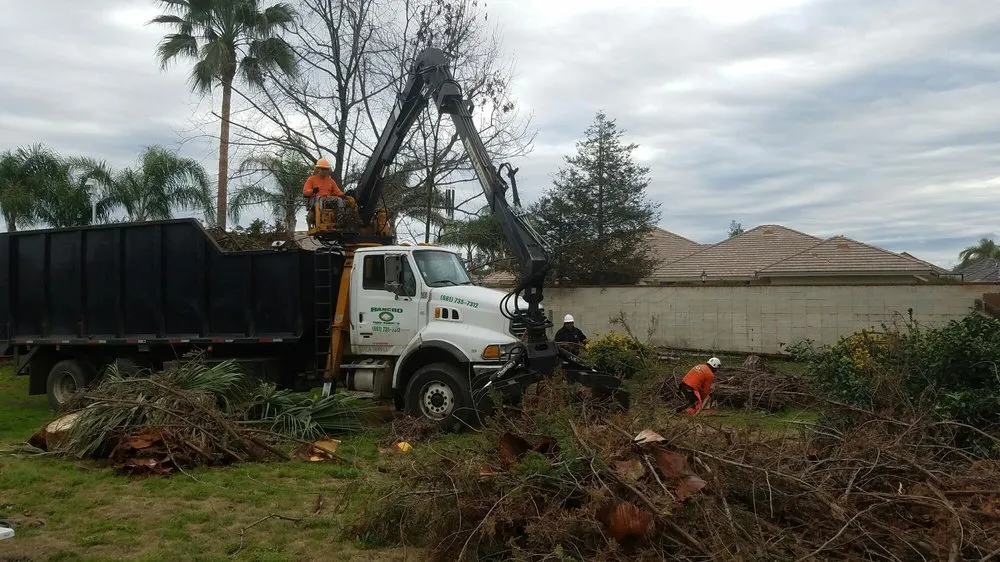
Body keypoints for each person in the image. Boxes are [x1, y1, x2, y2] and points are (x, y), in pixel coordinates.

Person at [304, 158, 345, 227]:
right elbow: (305, 192)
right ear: (318, 169)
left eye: (326, 169)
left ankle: (340, 220)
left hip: (327, 199)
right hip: (314, 200)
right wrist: (313, 191)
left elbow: (337, 191)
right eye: (322, 169)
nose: (324, 171)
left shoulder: (330, 181)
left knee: (339, 200)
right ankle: (321, 220)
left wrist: (344, 195)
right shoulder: (311, 179)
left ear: (328, 170)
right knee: (320, 199)